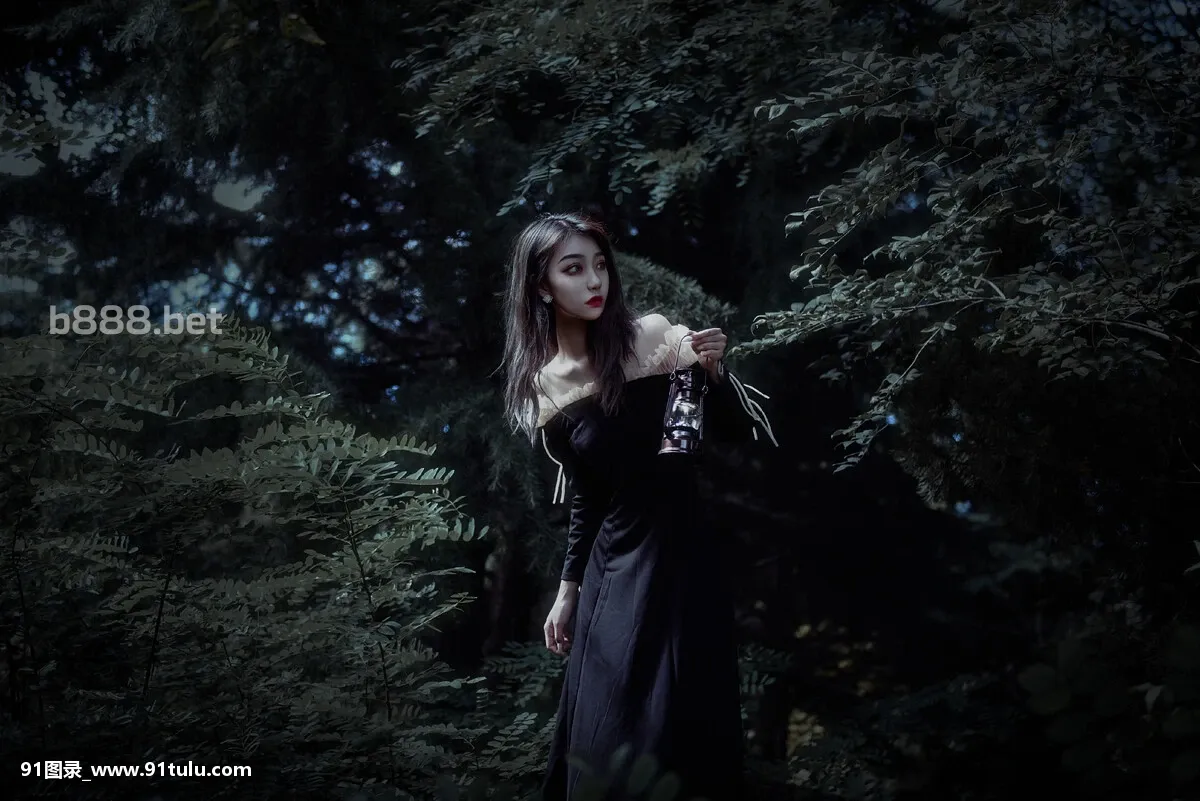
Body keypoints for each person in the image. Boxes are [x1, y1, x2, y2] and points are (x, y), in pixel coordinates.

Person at [499, 212, 779, 801]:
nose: (594, 280)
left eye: (600, 265)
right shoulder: (545, 386)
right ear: (542, 286)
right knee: (606, 736)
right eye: (574, 269)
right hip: (612, 574)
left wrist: (712, 373)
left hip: (682, 557)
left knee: (680, 727)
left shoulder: (653, 339)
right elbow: (590, 495)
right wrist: (568, 591)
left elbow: (722, 436)